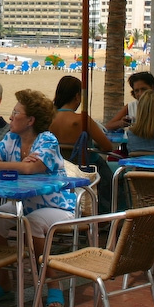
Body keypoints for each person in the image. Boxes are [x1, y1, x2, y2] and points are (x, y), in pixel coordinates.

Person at [0, 89, 75, 307]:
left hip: (58, 206)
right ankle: (3, 282)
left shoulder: (47, 140)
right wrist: (15, 166)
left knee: (34, 222)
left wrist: (3, 166)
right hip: (23, 204)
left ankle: (52, 283)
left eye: (16, 113)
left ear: (30, 120)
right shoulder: (11, 138)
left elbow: (31, 168)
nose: (10, 117)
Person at [49, 75, 117, 213]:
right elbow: (107, 147)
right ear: (77, 96)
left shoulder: (48, 118)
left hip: (57, 167)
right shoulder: (82, 120)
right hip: (84, 168)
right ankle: (107, 214)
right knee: (111, 177)